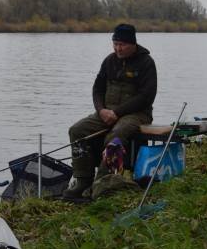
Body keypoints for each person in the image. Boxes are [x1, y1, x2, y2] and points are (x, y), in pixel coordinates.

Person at [64, 23, 157, 199]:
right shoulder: (109, 61)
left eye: (122, 45)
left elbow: (147, 96)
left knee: (114, 136)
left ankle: (101, 185)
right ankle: (83, 180)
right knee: (77, 130)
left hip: (137, 115)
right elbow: (97, 89)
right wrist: (101, 110)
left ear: (133, 44)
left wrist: (117, 113)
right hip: (107, 112)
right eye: (115, 44)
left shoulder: (146, 63)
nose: (118, 48)